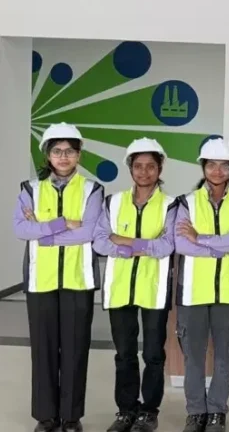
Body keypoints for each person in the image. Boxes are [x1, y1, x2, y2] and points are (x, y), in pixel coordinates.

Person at [13, 122, 104, 432]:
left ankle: (71, 417)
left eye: (69, 151)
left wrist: (43, 232)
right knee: (43, 350)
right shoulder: (30, 189)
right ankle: (46, 416)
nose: (63, 157)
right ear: (47, 155)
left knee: (76, 350)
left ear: (79, 155)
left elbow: (89, 232)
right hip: (41, 280)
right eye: (57, 151)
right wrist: (64, 223)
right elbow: (20, 228)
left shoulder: (92, 189)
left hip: (79, 281)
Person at [93, 138, 177, 432]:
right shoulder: (113, 202)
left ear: (159, 169)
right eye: (138, 166)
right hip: (119, 289)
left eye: (150, 166)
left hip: (154, 289)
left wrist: (123, 241)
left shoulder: (171, 205)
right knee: (124, 354)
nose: (144, 172)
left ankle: (149, 412)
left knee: (153, 354)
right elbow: (100, 242)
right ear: (130, 168)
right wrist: (143, 246)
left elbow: (166, 246)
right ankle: (126, 410)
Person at [174, 137, 229, 432]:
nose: (217, 171)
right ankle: (196, 412)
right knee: (193, 357)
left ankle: (217, 411)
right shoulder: (186, 202)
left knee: (224, 357)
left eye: (224, 165)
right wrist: (221, 245)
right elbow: (182, 244)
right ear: (203, 167)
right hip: (193, 291)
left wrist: (201, 238)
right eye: (211, 164)